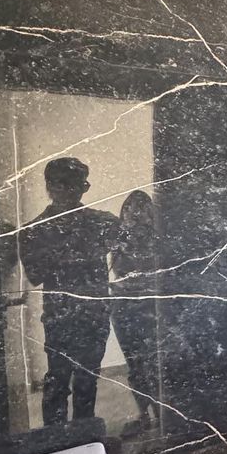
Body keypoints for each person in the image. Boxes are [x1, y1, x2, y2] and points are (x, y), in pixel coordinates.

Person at [20, 157, 118, 425]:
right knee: (58, 381)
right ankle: (57, 440)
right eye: (67, 184)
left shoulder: (101, 222)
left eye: (79, 185)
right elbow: (35, 275)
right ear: (51, 186)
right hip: (62, 318)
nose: (74, 192)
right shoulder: (33, 231)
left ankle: (83, 436)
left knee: (86, 380)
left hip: (90, 315)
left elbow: (129, 244)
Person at [111, 190, 159, 435]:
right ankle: (144, 414)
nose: (134, 214)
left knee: (153, 362)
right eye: (129, 209)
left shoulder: (158, 239)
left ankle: (161, 414)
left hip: (149, 305)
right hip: (123, 306)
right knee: (135, 363)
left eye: (140, 210)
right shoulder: (118, 238)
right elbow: (117, 271)